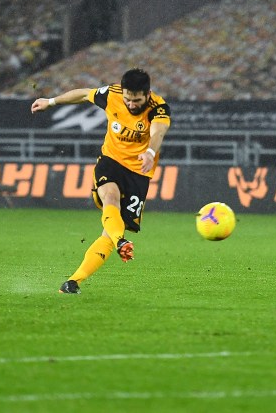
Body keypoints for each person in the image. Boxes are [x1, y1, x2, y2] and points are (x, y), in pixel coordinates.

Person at [31, 68, 171, 294]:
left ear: (147, 95)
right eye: (127, 98)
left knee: (109, 232)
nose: (131, 104)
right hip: (111, 161)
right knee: (110, 198)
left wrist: (150, 153)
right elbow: (84, 94)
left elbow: (158, 133)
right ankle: (121, 242)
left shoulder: (159, 108)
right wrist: (51, 101)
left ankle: (72, 282)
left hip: (139, 174)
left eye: (136, 100)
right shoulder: (112, 94)